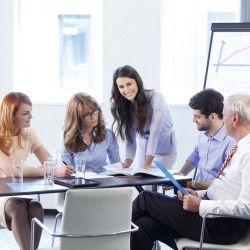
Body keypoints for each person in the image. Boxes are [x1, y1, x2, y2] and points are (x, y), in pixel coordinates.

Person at [131, 93, 250, 250]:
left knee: (145, 199)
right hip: (210, 212)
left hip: (220, 225)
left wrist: (201, 206)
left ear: (234, 118)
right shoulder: (240, 146)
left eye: (225, 115)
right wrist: (197, 195)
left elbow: (247, 207)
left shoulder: (247, 152)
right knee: (143, 225)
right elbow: (226, 189)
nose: (223, 119)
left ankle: (106, 236)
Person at [0, 92, 74, 250]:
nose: (31, 117)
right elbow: (12, 170)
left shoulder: (28, 134)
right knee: (17, 206)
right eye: (25, 113)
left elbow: (49, 162)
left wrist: (49, 169)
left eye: (31, 111)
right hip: (2, 195)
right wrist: (46, 171)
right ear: (10, 115)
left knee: (36, 207)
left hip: (14, 191)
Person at [110, 65, 177, 170]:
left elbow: (155, 133)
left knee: (151, 183)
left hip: (165, 151)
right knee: (142, 183)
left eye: (129, 84)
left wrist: (148, 164)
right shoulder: (124, 107)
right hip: (145, 147)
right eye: (121, 87)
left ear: (137, 81)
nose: (126, 90)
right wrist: (126, 163)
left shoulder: (157, 98)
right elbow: (130, 140)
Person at [176, 88, 235, 190]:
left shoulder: (231, 142)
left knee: (147, 199)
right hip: (195, 192)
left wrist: (191, 184)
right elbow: (196, 154)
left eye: (197, 117)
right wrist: (179, 176)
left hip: (211, 197)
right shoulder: (203, 134)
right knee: (148, 198)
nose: (193, 120)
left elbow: (226, 185)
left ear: (212, 117)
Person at [58, 92, 121, 172]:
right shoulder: (67, 137)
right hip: (79, 182)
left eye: (95, 112)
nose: (93, 117)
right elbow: (64, 169)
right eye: (87, 114)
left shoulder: (108, 134)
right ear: (76, 117)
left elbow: (117, 166)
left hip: (104, 182)